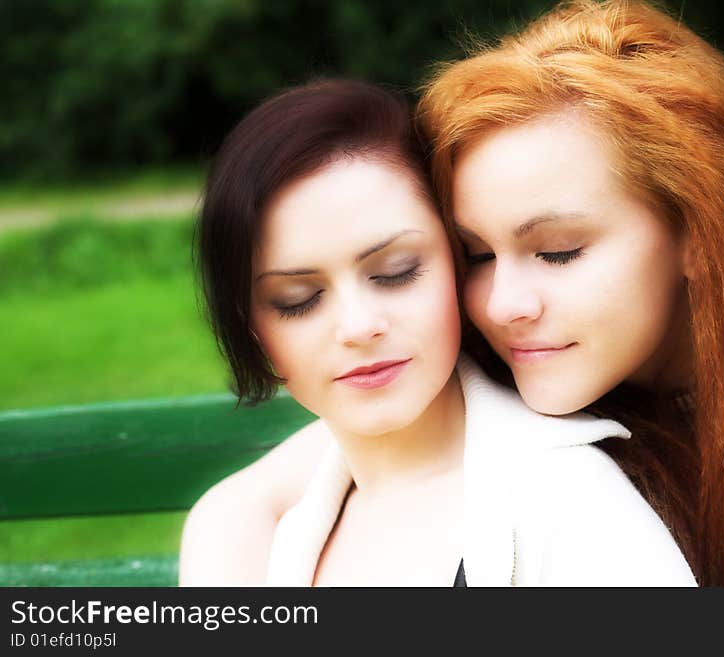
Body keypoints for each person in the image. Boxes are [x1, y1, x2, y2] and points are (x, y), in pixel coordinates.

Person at [416, 0, 724, 585]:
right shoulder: (465, 383)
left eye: (557, 251)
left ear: (700, 232)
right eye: (477, 255)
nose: (502, 304)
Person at [178, 79, 696, 586]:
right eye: (298, 301)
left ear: (457, 264)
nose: (359, 327)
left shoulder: (576, 509)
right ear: (252, 332)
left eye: (397, 271)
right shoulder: (275, 530)